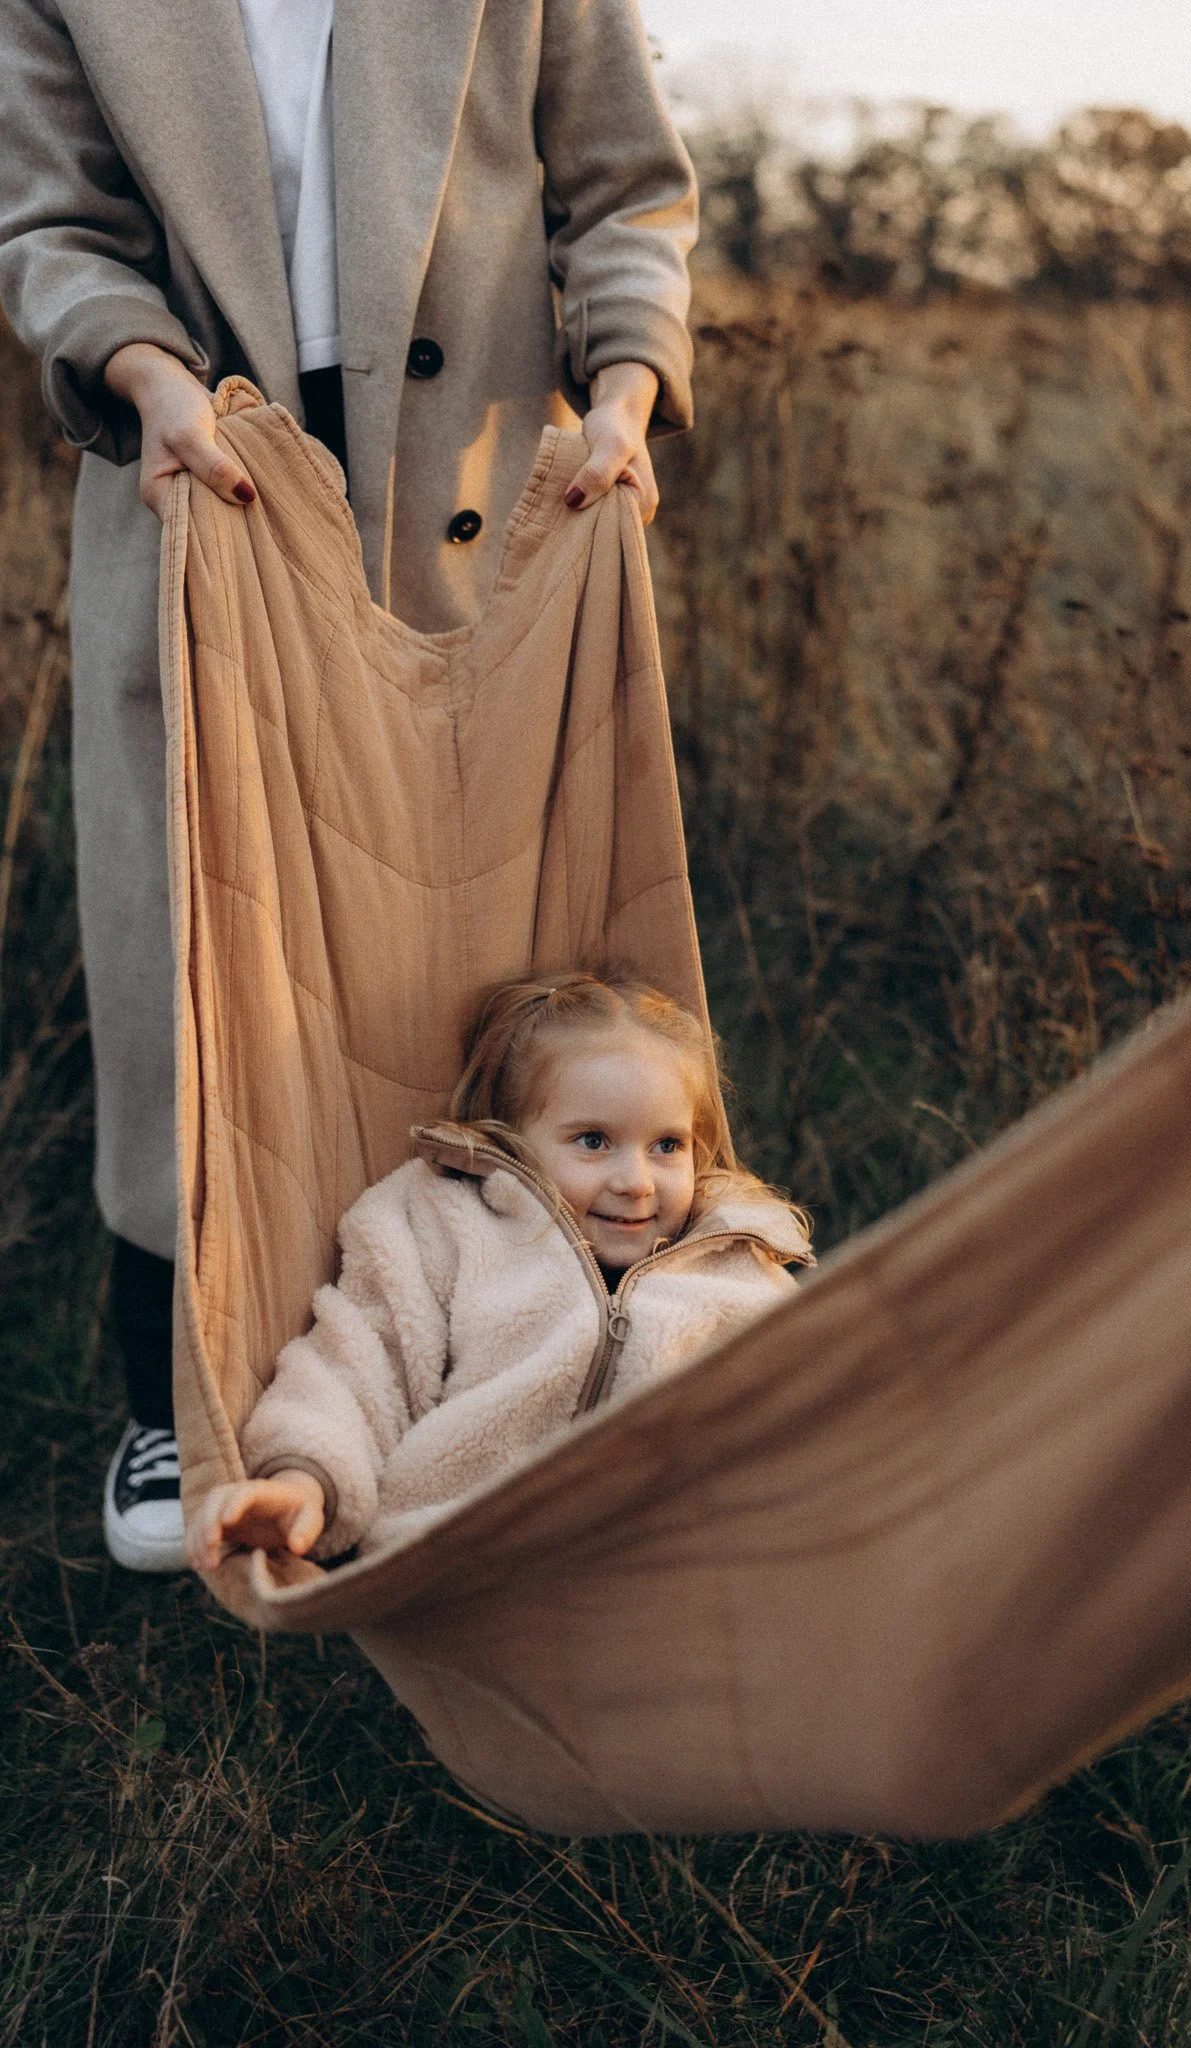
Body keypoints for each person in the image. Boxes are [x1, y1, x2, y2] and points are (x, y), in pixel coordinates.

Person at [0, 0, 698, 1570]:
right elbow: (52, 223)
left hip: (468, 488)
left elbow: (624, 190)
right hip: (200, 475)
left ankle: (502, 1362)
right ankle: (172, 1388)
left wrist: (627, 393)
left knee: (451, 957)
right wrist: (144, 378)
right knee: (196, 947)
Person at [188, 973, 813, 1570]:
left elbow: (799, 1409)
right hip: (456, 1563)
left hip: (660, 1572)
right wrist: (305, 1480)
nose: (636, 1182)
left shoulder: (731, 1263)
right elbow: (360, 1363)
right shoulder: (445, 1228)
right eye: (593, 1141)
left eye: (666, 1146)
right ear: (511, 1137)